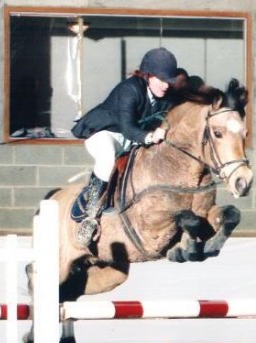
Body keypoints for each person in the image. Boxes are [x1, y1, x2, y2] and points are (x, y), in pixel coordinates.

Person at [70, 47, 179, 246]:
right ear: (149, 75)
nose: (165, 85)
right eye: (161, 80)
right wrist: (151, 136)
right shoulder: (129, 89)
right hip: (105, 133)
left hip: (132, 139)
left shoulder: (166, 97)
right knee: (107, 158)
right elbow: (128, 128)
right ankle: (90, 216)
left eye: (168, 81)